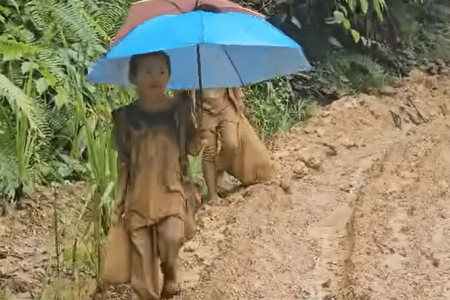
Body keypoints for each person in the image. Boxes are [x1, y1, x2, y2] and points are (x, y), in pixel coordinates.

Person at [111, 51, 201, 300]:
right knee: (142, 267)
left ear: (170, 76)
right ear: (133, 77)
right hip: (137, 195)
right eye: (147, 71)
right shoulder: (124, 116)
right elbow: (123, 161)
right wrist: (119, 199)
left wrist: (197, 123)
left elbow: (193, 149)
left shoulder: (180, 111)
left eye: (161, 71)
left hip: (171, 189)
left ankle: (170, 270)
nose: (155, 77)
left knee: (172, 239)